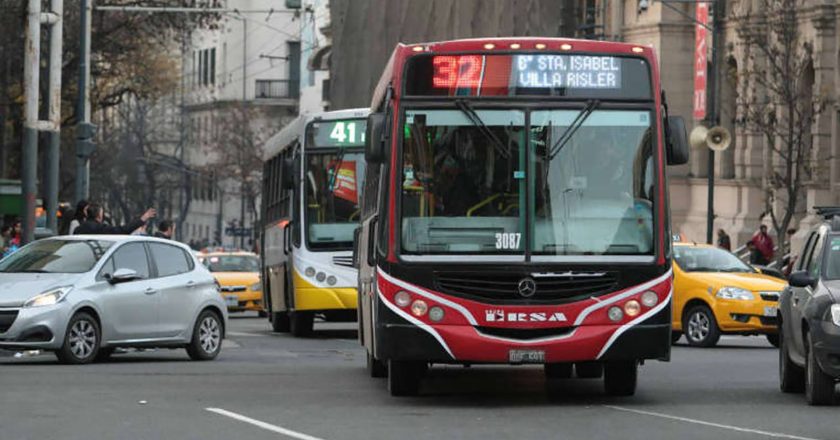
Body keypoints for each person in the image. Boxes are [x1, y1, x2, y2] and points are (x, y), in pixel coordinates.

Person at [74, 204, 156, 235]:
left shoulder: (77, 230)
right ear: (99, 215)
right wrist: (142, 219)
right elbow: (123, 230)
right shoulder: (100, 229)